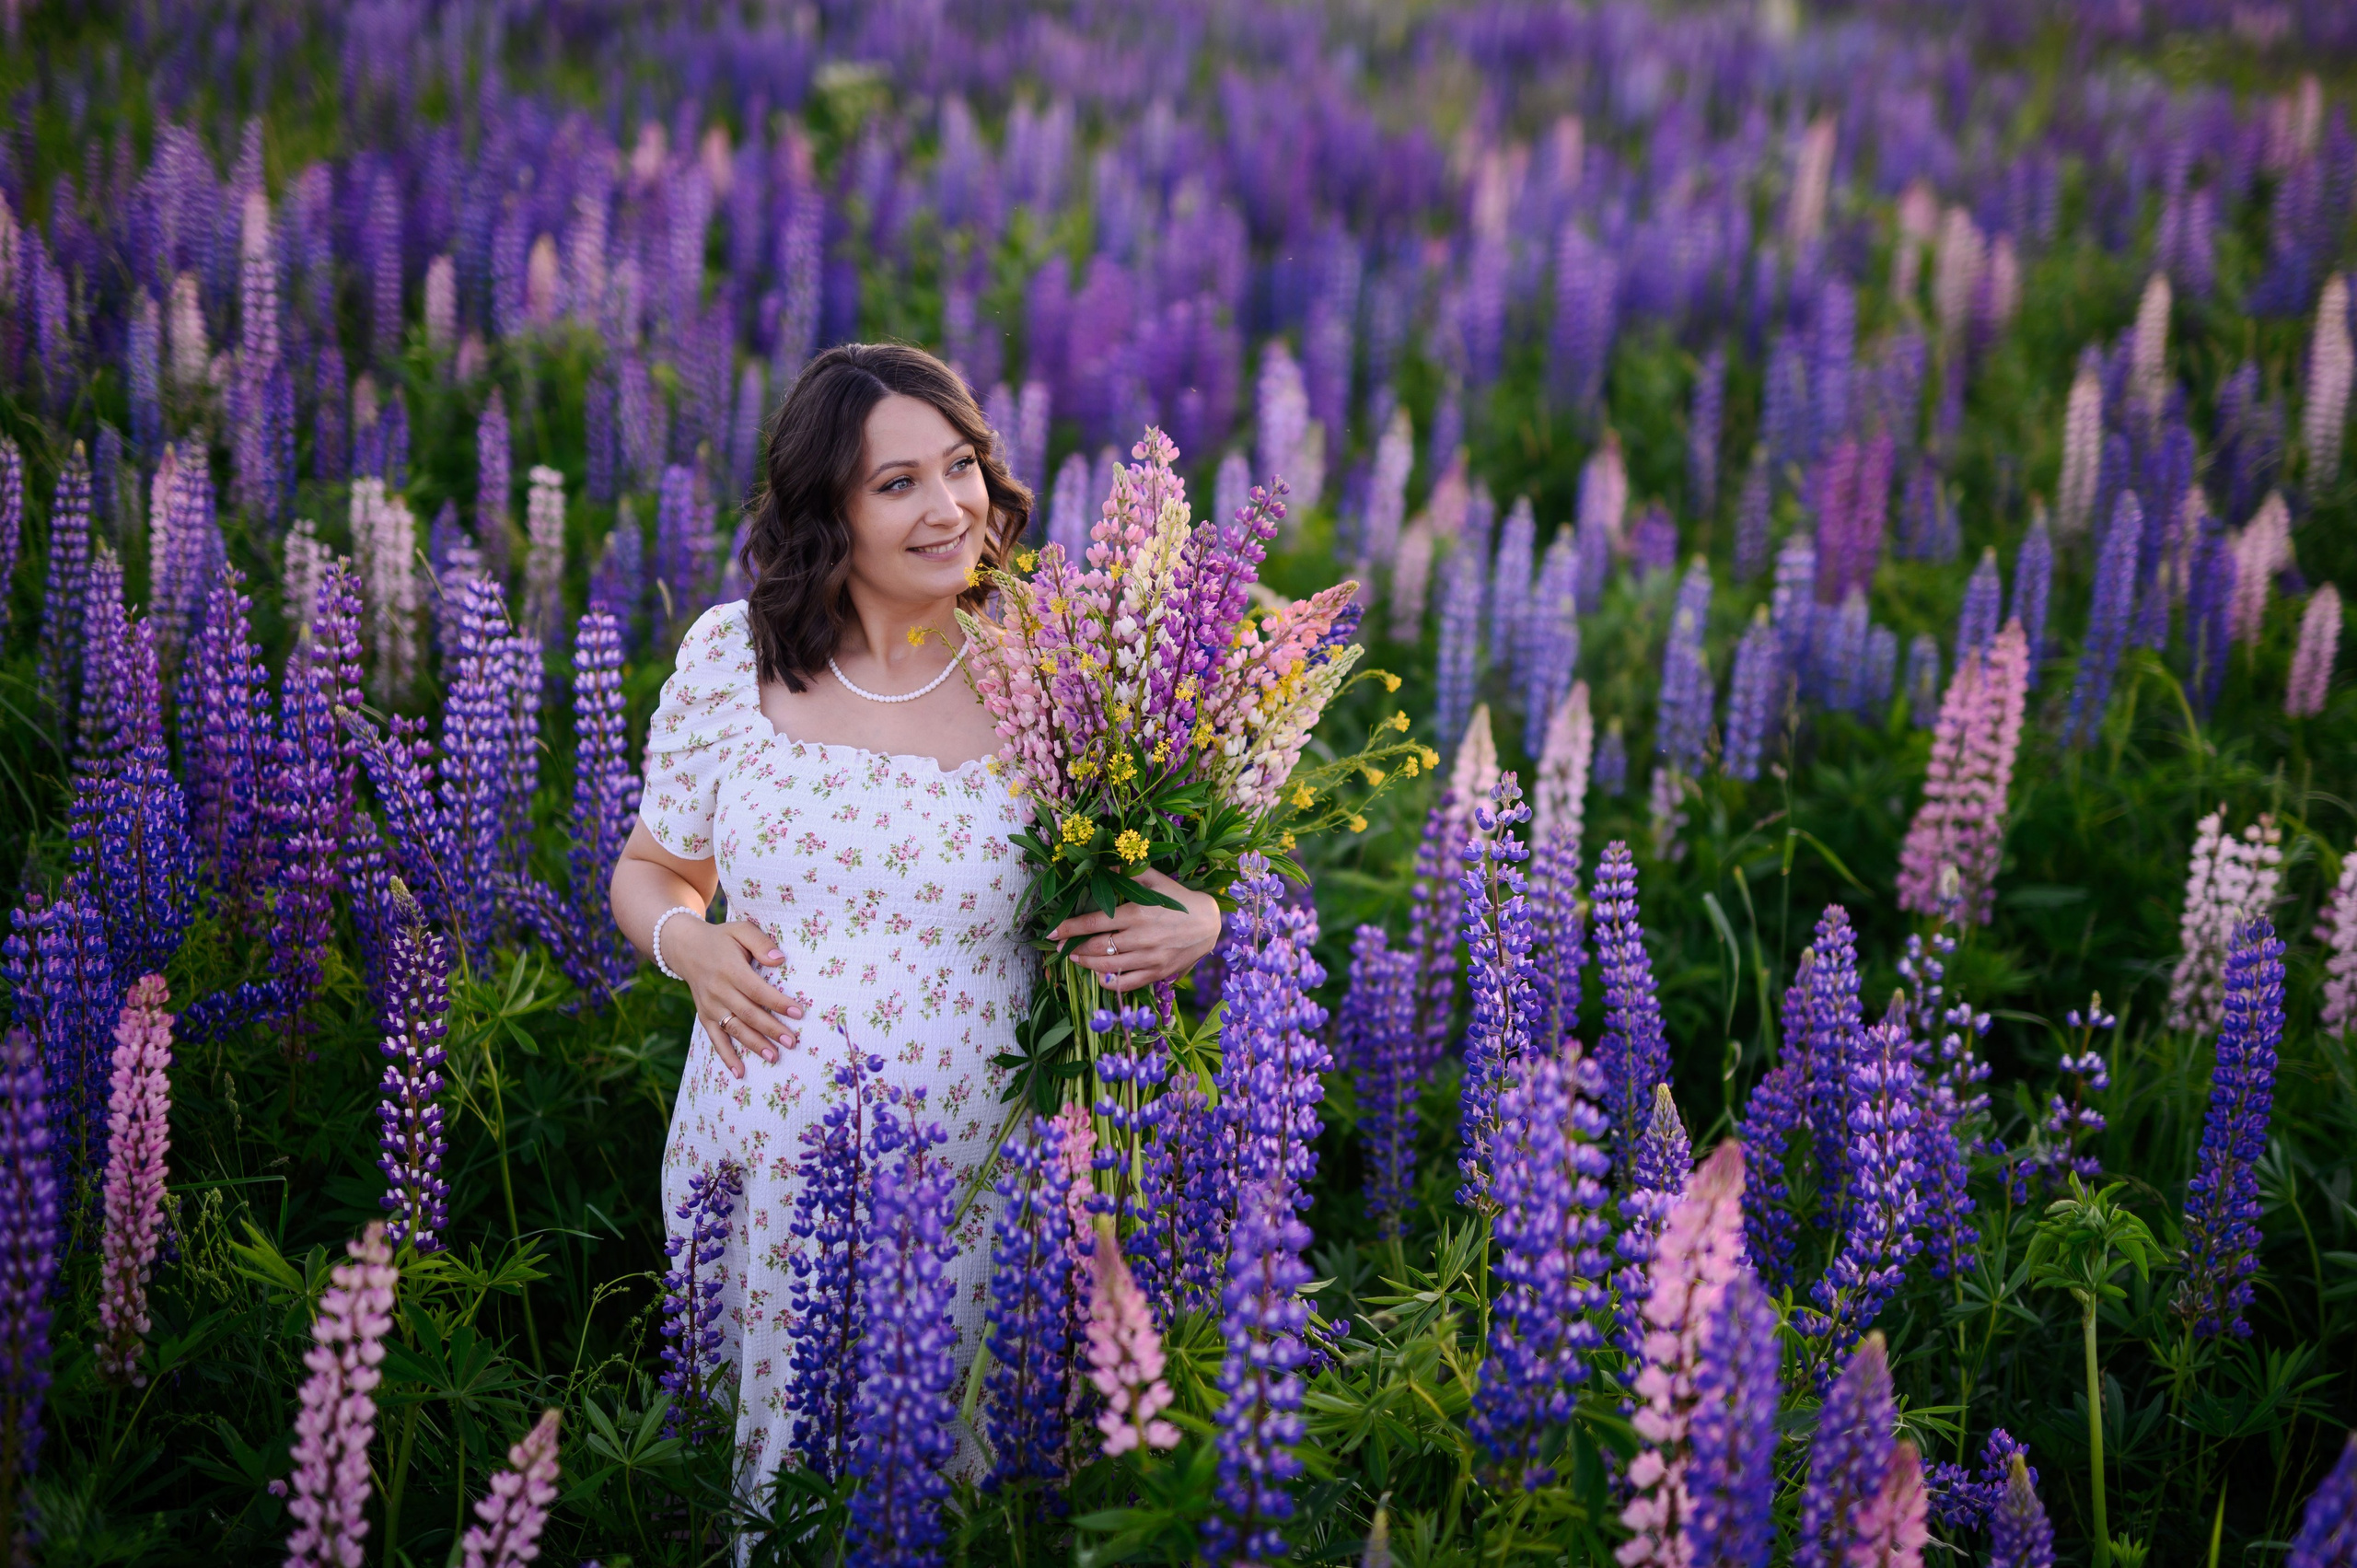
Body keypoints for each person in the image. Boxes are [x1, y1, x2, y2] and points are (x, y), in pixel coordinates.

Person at [609, 343, 1222, 1494]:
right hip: (760, 1168)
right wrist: (683, 940)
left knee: (948, 1494)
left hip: (981, 1175)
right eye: (898, 484)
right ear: (826, 510)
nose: (949, 509)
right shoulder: (729, 659)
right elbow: (651, 868)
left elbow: (1160, 859)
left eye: (962, 467)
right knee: (778, 1493)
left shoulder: (1059, 667)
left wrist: (1202, 917)